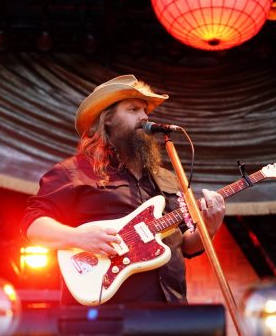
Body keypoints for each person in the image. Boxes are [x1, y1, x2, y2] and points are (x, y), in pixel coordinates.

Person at [20, 74, 225, 306]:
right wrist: (78, 237)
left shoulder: (166, 178)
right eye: (133, 109)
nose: (144, 116)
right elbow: (32, 224)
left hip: (170, 309)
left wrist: (209, 228)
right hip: (107, 313)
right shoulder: (74, 171)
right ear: (107, 119)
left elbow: (185, 245)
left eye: (145, 110)